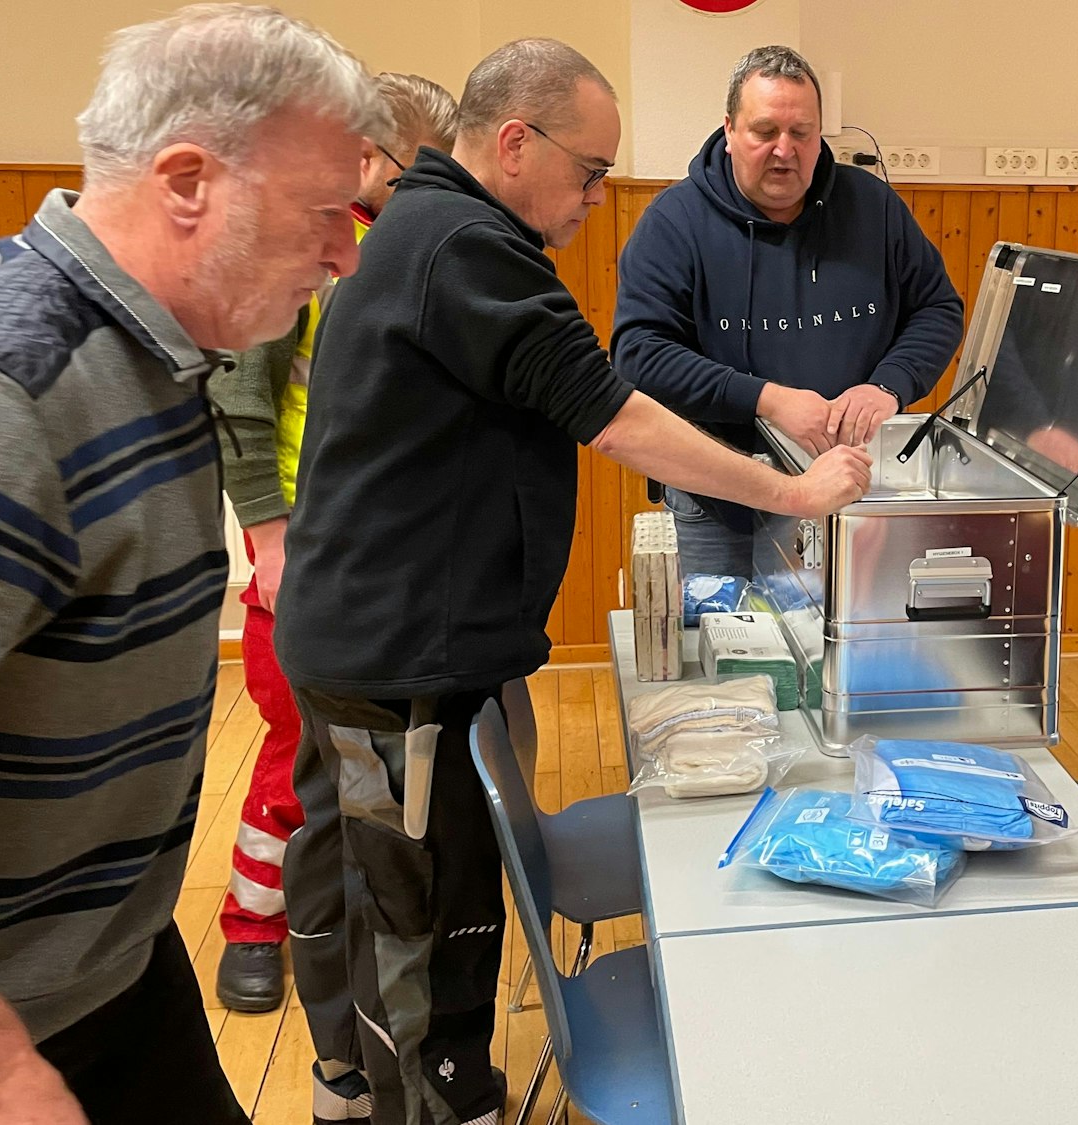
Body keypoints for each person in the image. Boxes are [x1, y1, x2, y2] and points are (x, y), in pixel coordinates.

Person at [273, 39, 870, 1125]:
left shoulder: (428, 228)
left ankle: (350, 1089)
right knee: (426, 917)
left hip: (366, 637)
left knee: (372, 889)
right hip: (401, 658)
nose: (599, 194)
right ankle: (432, 1098)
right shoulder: (466, 246)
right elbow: (615, 415)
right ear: (514, 143)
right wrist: (790, 497)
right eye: (590, 170)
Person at [0, 6, 387, 1124]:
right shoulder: (3, 389)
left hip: (105, 973)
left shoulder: (155, 346)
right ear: (188, 180)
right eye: (324, 213)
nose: (342, 255)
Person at [207, 70, 459, 1019]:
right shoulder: (305, 242)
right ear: (367, 155)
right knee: (291, 759)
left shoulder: (407, 241)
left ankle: (355, 929)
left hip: (372, 563)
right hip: (300, 556)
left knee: (356, 770)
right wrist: (268, 537)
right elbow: (237, 396)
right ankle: (250, 924)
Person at [613, 44, 963, 578]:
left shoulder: (874, 207)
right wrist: (768, 400)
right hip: (715, 498)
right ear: (729, 130)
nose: (785, 150)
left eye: (802, 133)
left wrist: (888, 385)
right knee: (719, 655)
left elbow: (937, 308)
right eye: (764, 131)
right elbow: (639, 356)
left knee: (824, 654)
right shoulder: (674, 223)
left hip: (842, 492)